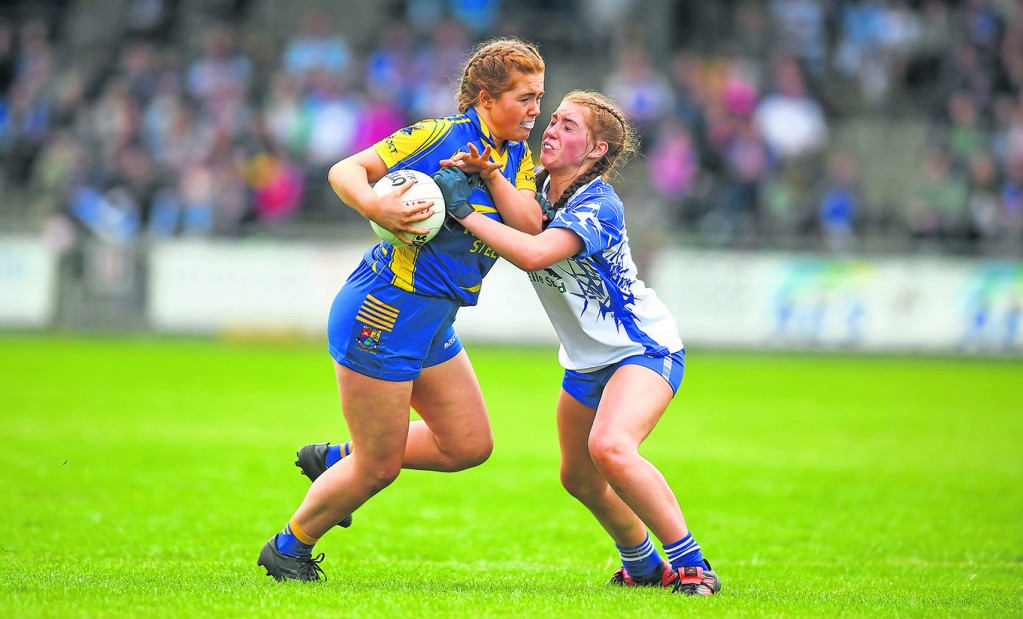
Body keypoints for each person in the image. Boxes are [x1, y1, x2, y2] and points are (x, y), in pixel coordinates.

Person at [256, 37, 545, 582]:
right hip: (383, 312)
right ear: (485, 98)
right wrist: (374, 204)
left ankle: (337, 459)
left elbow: (529, 226)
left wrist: (488, 175)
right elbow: (345, 170)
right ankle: (288, 548)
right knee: (379, 466)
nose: (535, 110)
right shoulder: (438, 135)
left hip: (432, 320)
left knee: (468, 444)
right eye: (524, 98)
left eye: (539, 97)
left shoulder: (512, 157)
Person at [444, 90, 721, 596]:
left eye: (569, 126)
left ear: (596, 151)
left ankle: (693, 565)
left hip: (642, 350)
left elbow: (533, 254)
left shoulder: (600, 202)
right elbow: (518, 208)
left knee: (610, 448)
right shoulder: (536, 183)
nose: (551, 129)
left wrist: (462, 209)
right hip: (585, 361)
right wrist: (487, 176)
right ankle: (641, 565)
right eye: (553, 120)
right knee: (579, 478)